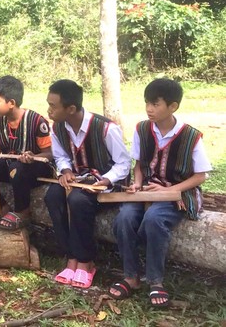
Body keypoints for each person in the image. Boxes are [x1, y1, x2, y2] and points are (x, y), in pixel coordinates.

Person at [110, 78, 212, 308]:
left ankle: (155, 280)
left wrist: (169, 190)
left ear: (173, 106)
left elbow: (200, 176)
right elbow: (138, 164)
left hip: (177, 192)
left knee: (154, 220)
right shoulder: (142, 128)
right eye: (147, 102)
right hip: (146, 189)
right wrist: (137, 184)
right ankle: (131, 276)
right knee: (124, 218)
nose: (149, 109)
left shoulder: (190, 136)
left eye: (155, 104)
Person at [44, 79, 130, 289]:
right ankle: (71, 255)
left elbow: (124, 162)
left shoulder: (106, 129)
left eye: (53, 106)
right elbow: (61, 156)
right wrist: (65, 171)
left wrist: (106, 179)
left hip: (108, 185)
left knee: (77, 200)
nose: (48, 110)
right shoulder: (58, 128)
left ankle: (86, 261)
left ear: (71, 108)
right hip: (80, 180)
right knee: (53, 196)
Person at [0, 76, 53, 230]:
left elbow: (50, 153)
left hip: (34, 170)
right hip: (11, 167)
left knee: (17, 168)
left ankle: (22, 212)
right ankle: (0, 207)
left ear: (11, 103)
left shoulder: (36, 121)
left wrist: (33, 157)